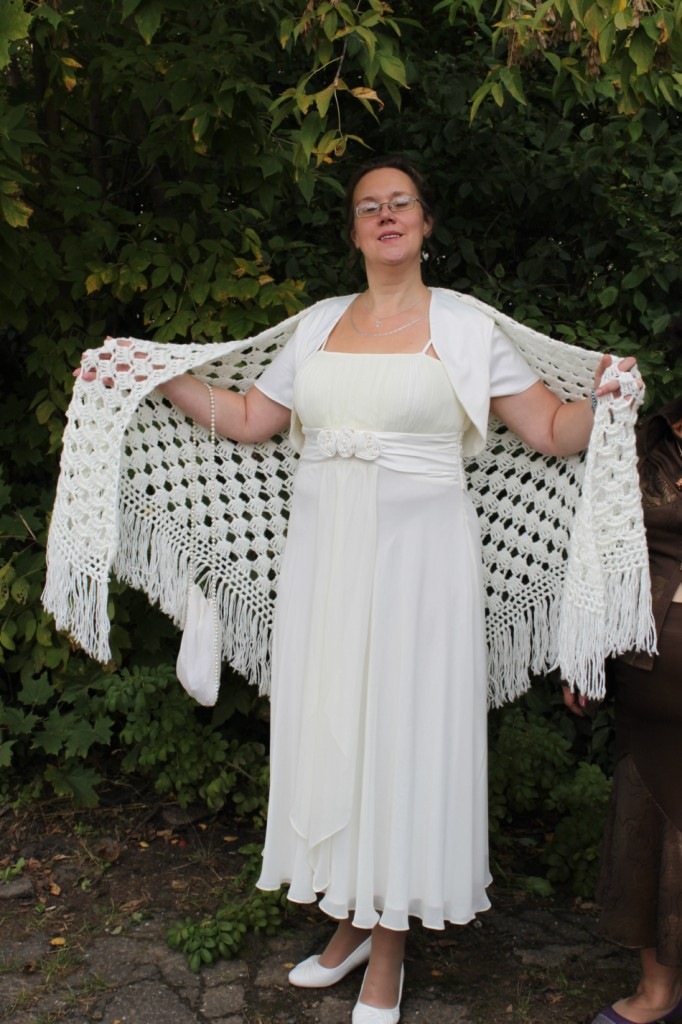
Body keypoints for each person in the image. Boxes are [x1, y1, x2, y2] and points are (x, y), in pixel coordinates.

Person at [77, 155, 639, 1024]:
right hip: (325, 566)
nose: (385, 214)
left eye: (400, 202)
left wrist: (604, 400)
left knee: (402, 740)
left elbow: (550, 431)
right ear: (354, 231)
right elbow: (251, 420)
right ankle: (348, 920)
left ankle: (390, 949)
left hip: (422, 571)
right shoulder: (316, 326)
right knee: (332, 732)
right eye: (368, 206)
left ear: (425, 222)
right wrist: (154, 377)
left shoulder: (467, 328)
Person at [564, 379, 682, 1024]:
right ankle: (659, 992)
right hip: (651, 664)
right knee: (652, 814)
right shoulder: (648, 440)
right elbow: (605, 548)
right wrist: (586, 651)